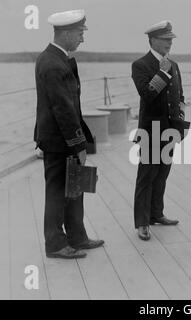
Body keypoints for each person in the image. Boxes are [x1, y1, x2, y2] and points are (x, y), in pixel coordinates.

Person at [34, 10, 104, 259]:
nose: (82, 39)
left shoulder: (57, 58)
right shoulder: (52, 63)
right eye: (79, 33)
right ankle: (55, 244)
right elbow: (63, 108)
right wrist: (79, 144)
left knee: (74, 188)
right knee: (57, 192)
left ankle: (77, 237)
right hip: (58, 141)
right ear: (64, 33)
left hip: (64, 139)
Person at [132, 20, 185, 241]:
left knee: (162, 174)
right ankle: (142, 223)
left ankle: (156, 214)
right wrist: (162, 74)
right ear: (153, 40)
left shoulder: (173, 64)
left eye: (170, 39)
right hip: (151, 130)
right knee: (147, 176)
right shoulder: (141, 65)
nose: (169, 43)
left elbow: (179, 97)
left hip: (169, 130)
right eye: (165, 40)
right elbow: (147, 94)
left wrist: (181, 125)